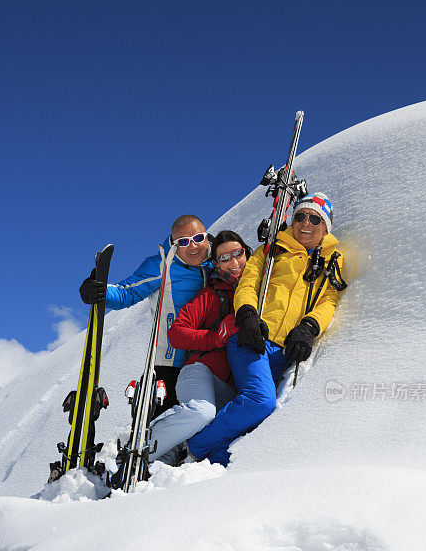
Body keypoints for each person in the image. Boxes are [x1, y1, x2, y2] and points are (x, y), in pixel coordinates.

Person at [187, 193, 346, 466]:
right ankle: (196, 445)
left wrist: (309, 327)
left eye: (314, 218)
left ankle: (211, 462)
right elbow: (248, 282)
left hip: (284, 350)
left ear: (325, 227)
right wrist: (247, 314)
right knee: (261, 401)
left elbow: (328, 299)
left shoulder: (331, 260)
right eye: (300, 216)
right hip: (251, 338)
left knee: (258, 418)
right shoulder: (273, 249)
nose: (305, 223)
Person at [79, 215, 210, 411]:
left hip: (208, 362)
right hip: (170, 364)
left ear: (207, 236)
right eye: (183, 242)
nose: (193, 247)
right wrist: (100, 291)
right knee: (160, 429)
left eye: (198, 238)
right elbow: (128, 291)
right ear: (174, 244)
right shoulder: (161, 266)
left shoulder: (218, 261)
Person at [147, 230, 251, 463]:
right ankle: (139, 447)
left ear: (247, 253)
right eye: (224, 258)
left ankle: (151, 475)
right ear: (216, 264)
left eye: (238, 254)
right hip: (200, 371)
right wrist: (215, 338)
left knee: (184, 448)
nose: (233, 262)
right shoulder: (213, 295)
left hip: (232, 387)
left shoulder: (261, 291)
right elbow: (177, 333)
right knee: (202, 412)